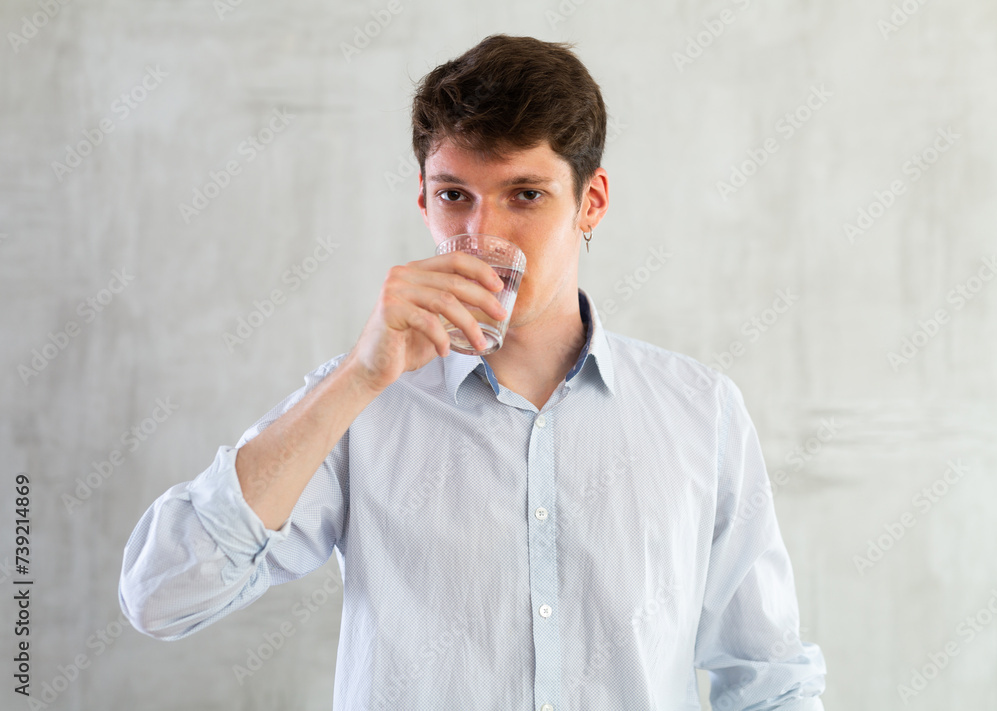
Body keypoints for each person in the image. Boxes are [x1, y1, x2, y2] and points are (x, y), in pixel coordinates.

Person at [119, 33, 827, 710]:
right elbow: (162, 595)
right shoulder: (362, 401)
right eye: (456, 194)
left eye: (525, 194)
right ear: (423, 201)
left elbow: (768, 680)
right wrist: (358, 382)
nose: (483, 236)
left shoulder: (700, 413)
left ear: (593, 202)